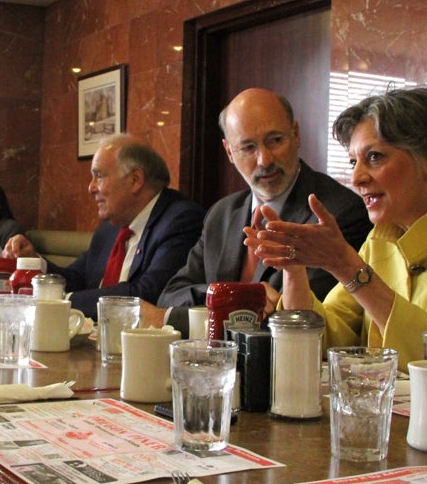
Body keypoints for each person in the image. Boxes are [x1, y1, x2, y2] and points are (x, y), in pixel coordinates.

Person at [246, 87, 427, 369]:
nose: (357, 178)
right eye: (352, 162)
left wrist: (346, 266)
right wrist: (294, 267)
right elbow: (320, 342)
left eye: (374, 157)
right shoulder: (380, 240)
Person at [149, 89, 371, 333]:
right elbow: (171, 294)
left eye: (275, 140)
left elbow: (296, 321)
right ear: (229, 152)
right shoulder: (221, 214)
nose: (264, 159)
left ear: (296, 135)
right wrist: (232, 297)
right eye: (248, 147)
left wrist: (182, 316)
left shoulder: (336, 214)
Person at [4, 134, 204, 319]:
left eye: (98, 176)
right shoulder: (110, 228)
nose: (90, 187)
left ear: (135, 180)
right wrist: (34, 263)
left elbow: (148, 295)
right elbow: (77, 278)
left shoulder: (181, 220)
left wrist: (61, 303)